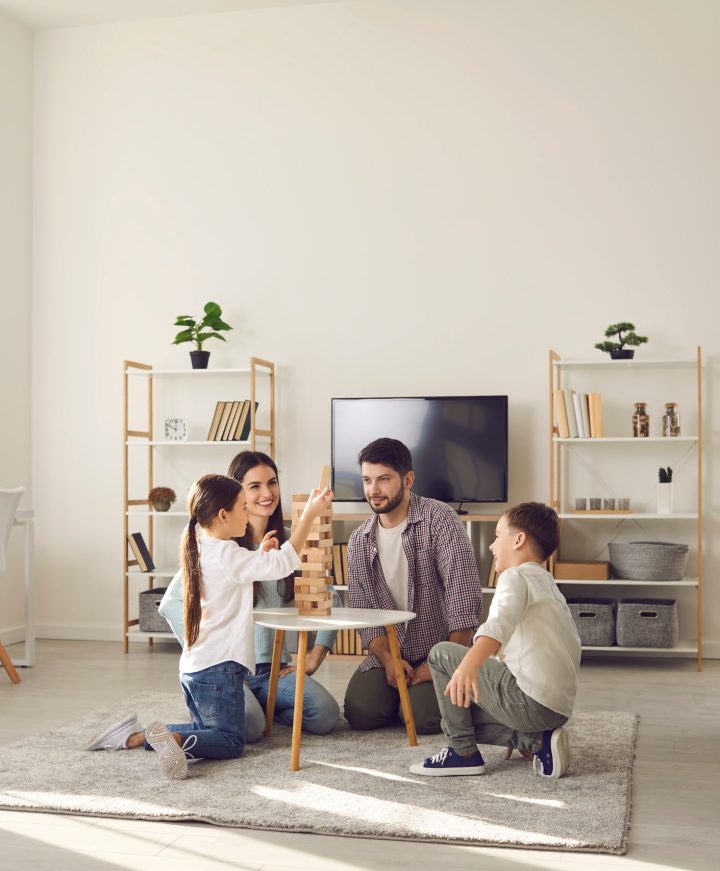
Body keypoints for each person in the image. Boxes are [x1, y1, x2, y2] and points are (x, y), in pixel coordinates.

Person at [86, 473, 333, 780]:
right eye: (243, 506)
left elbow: (234, 577)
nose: (248, 513)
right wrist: (309, 514)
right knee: (231, 741)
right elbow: (284, 564)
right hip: (220, 671)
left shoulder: (200, 549)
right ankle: (164, 738)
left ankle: (139, 736)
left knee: (210, 730)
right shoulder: (229, 554)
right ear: (223, 515)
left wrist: (259, 556)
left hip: (194, 669)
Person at [158, 451, 340, 739]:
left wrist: (314, 658)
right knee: (250, 728)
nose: (267, 493)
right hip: (231, 668)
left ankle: (263, 708)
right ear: (232, 497)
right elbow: (170, 604)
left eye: (272, 482)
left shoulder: (290, 538)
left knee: (325, 714)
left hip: (274, 672)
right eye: (254, 486)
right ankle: (243, 710)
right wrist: (207, 656)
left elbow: (329, 594)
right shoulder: (222, 549)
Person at [409, 502, 581, 779]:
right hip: (555, 710)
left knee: (441, 653)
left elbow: (496, 627)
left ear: (519, 539)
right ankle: (537, 741)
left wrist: (467, 665)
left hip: (530, 703)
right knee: (456, 716)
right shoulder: (546, 582)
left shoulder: (515, 576)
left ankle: (462, 753)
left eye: (497, 536)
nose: (491, 546)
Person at [344, 437, 482, 735]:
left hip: (441, 648)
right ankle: (400, 695)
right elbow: (363, 615)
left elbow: (464, 599)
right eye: (367, 480)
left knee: (425, 720)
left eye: (383, 479)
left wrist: (444, 663)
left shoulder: (440, 519)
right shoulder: (358, 540)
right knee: (360, 713)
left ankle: (449, 689)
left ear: (408, 479)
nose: (373, 490)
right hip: (391, 651)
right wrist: (389, 660)